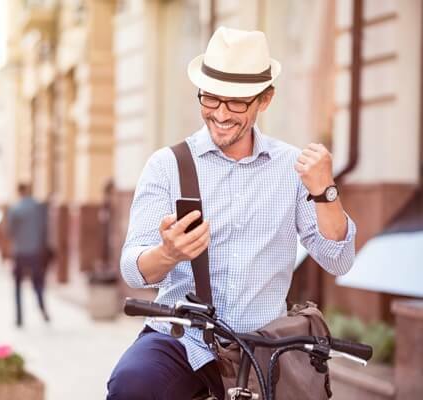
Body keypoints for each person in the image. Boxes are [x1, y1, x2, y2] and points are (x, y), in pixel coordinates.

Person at [107, 26, 356, 399]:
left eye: (236, 102)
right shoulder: (168, 165)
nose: (220, 114)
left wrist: (326, 191)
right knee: (133, 384)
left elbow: (338, 259)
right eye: (211, 98)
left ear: (265, 100)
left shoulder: (292, 168)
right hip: (183, 338)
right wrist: (167, 254)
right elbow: (132, 268)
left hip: (263, 347)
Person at [7, 183, 50, 326]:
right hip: (35, 251)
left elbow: (10, 232)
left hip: (20, 251)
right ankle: (42, 309)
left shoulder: (15, 209)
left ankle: (19, 318)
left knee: (18, 286)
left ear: (19, 192)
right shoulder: (39, 208)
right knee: (38, 283)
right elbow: (45, 229)